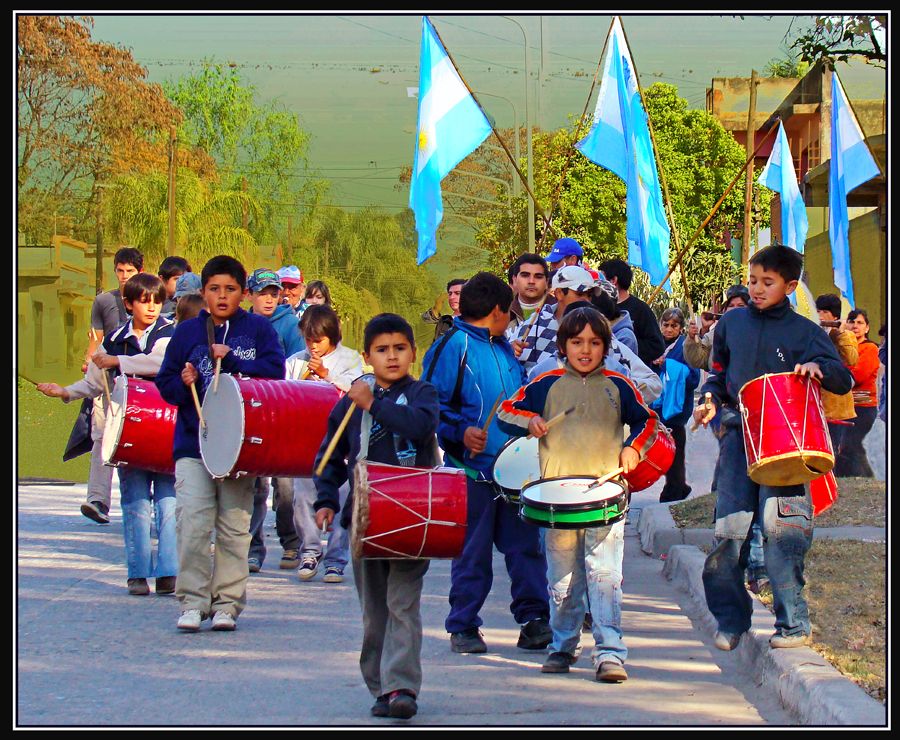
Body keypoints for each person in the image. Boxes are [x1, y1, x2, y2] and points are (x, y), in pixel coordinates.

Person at [694, 245, 852, 652]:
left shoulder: (805, 332)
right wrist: (710, 400)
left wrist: (819, 369)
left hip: (786, 450)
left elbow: (841, 378)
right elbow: (717, 376)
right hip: (738, 443)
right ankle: (731, 621)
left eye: (768, 283)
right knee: (728, 537)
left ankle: (794, 623)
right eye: (752, 281)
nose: (757, 290)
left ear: (790, 285)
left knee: (784, 536)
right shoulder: (732, 325)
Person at [498, 307, 661, 682]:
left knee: (605, 575)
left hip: (607, 494)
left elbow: (647, 421)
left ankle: (609, 652)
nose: (585, 350)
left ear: (605, 346)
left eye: (594, 342)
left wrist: (633, 448)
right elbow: (507, 412)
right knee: (562, 579)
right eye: (576, 342)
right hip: (557, 499)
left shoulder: (619, 384)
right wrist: (531, 421)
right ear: (563, 346)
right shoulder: (546, 383)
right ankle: (564, 645)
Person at [313, 313, 440, 720]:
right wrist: (326, 500)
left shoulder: (422, 394)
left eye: (399, 349)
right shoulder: (351, 402)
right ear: (367, 356)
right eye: (382, 350)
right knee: (375, 612)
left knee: (403, 603)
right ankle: (380, 686)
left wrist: (376, 403)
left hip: (412, 518)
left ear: (412, 353)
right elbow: (330, 455)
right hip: (364, 522)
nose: (391, 357)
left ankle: (402, 685)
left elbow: (419, 427)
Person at [422, 271, 551, 655]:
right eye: (508, 312)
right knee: (472, 552)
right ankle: (463, 625)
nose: (510, 319)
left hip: (514, 471)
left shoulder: (503, 349)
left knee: (525, 549)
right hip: (473, 472)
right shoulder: (452, 345)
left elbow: (518, 403)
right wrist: (461, 432)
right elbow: (431, 404)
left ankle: (533, 621)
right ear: (497, 310)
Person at [156, 255, 285, 632]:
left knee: (233, 527)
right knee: (193, 525)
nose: (222, 296)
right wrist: (184, 379)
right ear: (203, 292)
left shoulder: (259, 332)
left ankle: (227, 603)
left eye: (230, 289)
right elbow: (164, 385)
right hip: (193, 444)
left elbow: (275, 374)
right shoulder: (185, 334)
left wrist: (234, 365)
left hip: (239, 449)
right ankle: (193, 601)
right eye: (214, 289)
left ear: (243, 294)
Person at [38, 274, 177, 596]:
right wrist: (64, 391)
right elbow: (94, 380)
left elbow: (158, 362)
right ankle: (138, 572)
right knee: (135, 501)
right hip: (128, 427)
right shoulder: (114, 337)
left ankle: (168, 570)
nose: (152, 307)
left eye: (156, 300)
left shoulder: (170, 334)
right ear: (128, 304)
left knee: (169, 502)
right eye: (144, 301)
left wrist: (118, 360)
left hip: (166, 425)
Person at [286, 304, 364, 583]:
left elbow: (358, 390)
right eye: (307, 339)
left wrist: (327, 375)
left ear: (332, 336)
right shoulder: (295, 361)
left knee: (341, 499)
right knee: (302, 498)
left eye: (317, 340)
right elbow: (287, 395)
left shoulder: (351, 359)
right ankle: (308, 549)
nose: (312, 346)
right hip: (306, 438)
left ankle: (336, 558)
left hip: (339, 442)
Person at [73, 246, 144, 525]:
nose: (124, 276)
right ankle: (98, 499)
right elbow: (96, 341)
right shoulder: (104, 301)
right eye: (120, 270)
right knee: (101, 437)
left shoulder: (149, 297)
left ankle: (142, 502)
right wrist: (89, 362)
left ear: (140, 270)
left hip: (142, 387)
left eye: (130, 271)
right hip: (108, 384)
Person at [245, 268, 305, 573]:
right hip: (250, 416)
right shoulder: (241, 325)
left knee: (285, 487)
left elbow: (299, 366)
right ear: (250, 296)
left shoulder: (290, 324)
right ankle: (253, 547)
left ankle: (291, 542)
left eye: (273, 293)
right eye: (262, 293)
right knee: (254, 485)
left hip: (280, 415)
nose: (269, 300)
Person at [651, 308, 700, 503]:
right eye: (666, 324)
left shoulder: (685, 346)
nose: (669, 329)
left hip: (677, 409)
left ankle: (675, 487)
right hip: (656, 405)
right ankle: (677, 485)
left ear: (680, 328)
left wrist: (669, 366)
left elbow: (693, 377)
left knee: (676, 450)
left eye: (674, 326)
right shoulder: (655, 344)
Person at [515, 265, 597, 374]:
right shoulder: (533, 327)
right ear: (559, 293)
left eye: (589, 295)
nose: (586, 300)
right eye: (580, 294)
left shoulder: (598, 327)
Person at [834, 308, 879, 477]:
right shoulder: (845, 346)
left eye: (860, 323)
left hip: (863, 406)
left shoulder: (870, 349)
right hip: (847, 406)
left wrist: (841, 372)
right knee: (848, 446)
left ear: (867, 328)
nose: (855, 326)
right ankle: (859, 478)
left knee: (852, 445)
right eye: (852, 322)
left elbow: (858, 375)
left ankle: (863, 478)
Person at [814, 294, 858, 463]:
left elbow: (852, 359)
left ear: (834, 316)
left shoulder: (845, 335)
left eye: (824, 311)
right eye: (817, 310)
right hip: (814, 402)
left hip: (835, 405)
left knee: (830, 450)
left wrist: (840, 334)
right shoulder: (812, 332)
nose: (820, 315)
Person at [598, 258, 666, 368]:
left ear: (613, 280)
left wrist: (627, 346)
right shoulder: (598, 306)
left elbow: (657, 346)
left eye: (602, 278)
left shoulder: (641, 309)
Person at [684, 285, 750, 371]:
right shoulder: (716, 334)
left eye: (741, 305)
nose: (735, 309)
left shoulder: (757, 332)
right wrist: (693, 337)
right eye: (731, 305)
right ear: (725, 310)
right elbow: (699, 360)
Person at [506, 253, 550, 339]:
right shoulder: (503, 312)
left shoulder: (558, 312)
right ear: (514, 280)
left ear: (547, 282)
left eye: (538, 276)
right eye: (525, 275)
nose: (531, 281)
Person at [422, 278, 465, 344]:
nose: (451, 297)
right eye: (450, 294)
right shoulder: (445, 321)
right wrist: (436, 309)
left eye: (457, 293)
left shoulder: (479, 321)